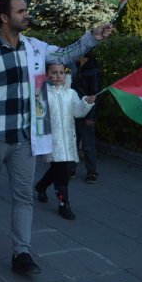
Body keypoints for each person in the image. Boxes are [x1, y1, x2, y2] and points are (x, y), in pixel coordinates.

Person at [0, 0, 112, 275]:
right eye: (20, 11)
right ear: (4, 17)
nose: (26, 15)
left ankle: (22, 253)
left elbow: (65, 54)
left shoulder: (34, 47)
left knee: (23, 196)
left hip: (24, 138)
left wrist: (92, 37)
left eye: (26, 10)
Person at [34, 63, 95, 220]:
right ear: (47, 74)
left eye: (61, 72)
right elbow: (38, 115)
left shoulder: (71, 93)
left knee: (58, 169)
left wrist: (86, 103)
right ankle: (64, 204)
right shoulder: (42, 93)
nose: (58, 75)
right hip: (51, 140)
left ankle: (41, 186)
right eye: (54, 72)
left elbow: (77, 113)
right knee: (62, 172)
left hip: (67, 139)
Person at [71, 53, 101, 183]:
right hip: (75, 110)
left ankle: (91, 172)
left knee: (88, 144)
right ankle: (70, 170)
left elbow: (95, 93)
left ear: (85, 56)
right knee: (73, 143)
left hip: (86, 112)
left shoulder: (93, 71)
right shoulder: (78, 68)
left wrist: (91, 116)